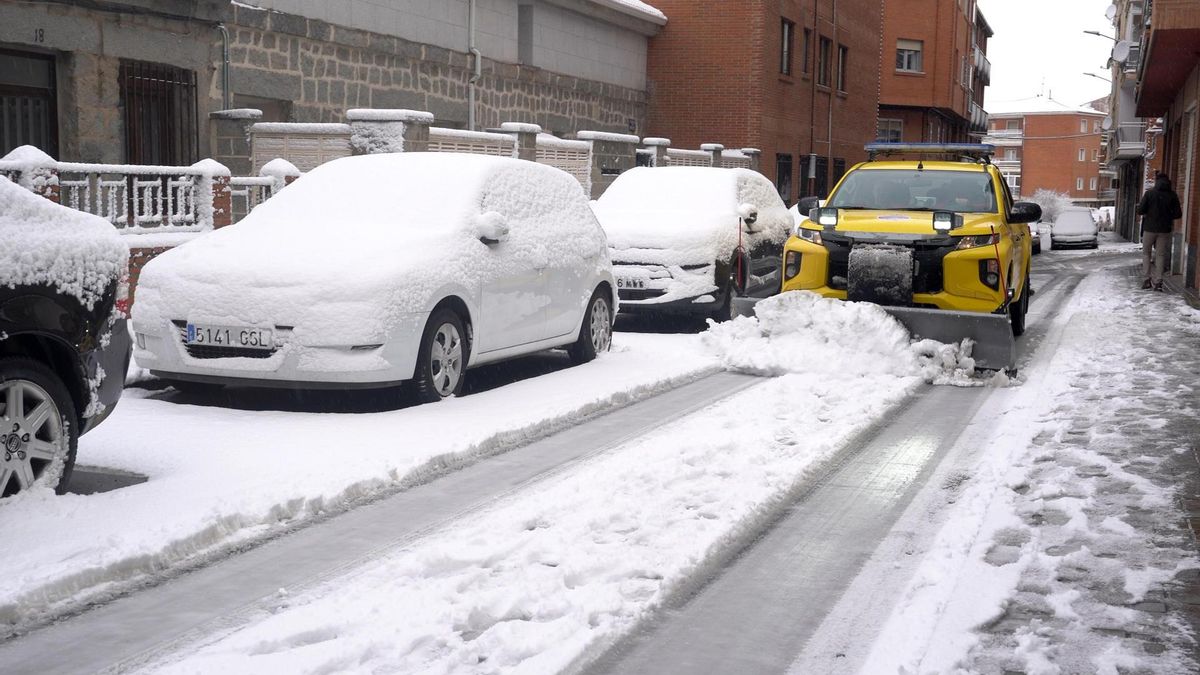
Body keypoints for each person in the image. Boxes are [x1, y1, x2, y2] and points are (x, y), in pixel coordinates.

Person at [1136, 172, 1182, 291]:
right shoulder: (1172, 195)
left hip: (1149, 228)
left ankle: (1146, 280)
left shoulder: (1150, 193)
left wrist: (1148, 212)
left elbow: (1140, 210)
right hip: (1164, 229)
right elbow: (1178, 214)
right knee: (1160, 255)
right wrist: (1167, 215)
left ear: (1157, 181)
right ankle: (1158, 282)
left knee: (1146, 253)